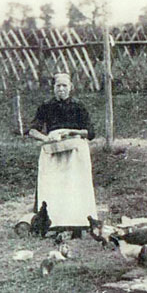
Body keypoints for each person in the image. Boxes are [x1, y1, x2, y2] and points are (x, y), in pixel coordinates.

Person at [29, 73, 97, 239]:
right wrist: (46, 138)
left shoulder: (78, 106)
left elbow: (90, 132)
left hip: (75, 151)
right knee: (53, 185)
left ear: (70, 87)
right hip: (53, 150)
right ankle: (55, 222)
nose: (61, 89)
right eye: (58, 86)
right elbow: (32, 130)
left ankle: (78, 222)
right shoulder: (46, 106)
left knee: (74, 184)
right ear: (53, 88)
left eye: (64, 86)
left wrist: (72, 132)